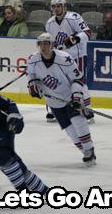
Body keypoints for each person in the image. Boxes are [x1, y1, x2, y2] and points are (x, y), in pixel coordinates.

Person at [27, 32, 96, 165]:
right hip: (54, 102)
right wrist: (33, 86)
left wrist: (76, 97)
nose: (43, 47)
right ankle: (86, 152)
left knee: (78, 122)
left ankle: (89, 149)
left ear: (52, 45)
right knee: (70, 131)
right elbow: (31, 75)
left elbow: (78, 78)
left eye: (46, 43)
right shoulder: (33, 59)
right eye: (40, 43)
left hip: (70, 96)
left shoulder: (65, 59)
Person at [45, 0, 94, 123]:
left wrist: (76, 38)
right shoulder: (49, 23)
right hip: (60, 59)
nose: (56, 8)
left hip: (76, 57)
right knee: (57, 82)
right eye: (54, 6)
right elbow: (51, 43)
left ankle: (88, 110)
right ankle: (56, 110)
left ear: (64, 7)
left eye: (59, 6)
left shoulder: (74, 18)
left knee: (79, 83)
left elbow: (88, 33)